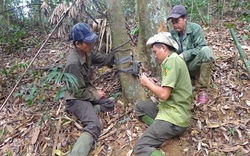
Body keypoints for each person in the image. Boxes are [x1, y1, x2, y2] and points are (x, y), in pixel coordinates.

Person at [133, 32, 193, 156]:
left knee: (141, 147)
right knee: (140, 106)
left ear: (164, 48)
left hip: (174, 117)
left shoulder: (172, 61)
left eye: (155, 52)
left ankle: (162, 134)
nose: (155, 55)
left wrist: (147, 83)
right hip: (168, 109)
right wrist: (150, 83)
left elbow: (164, 94)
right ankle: (162, 135)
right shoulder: (171, 61)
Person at [64, 22, 115, 156]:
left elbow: (104, 59)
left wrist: (118, 54)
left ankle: (91, 110)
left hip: (85, 93)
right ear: (77, 44)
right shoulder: (73, 63)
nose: (92, 45)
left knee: (109, 103)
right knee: (94, 125)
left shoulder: (88, 52)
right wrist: (96, 95)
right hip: (75, 99)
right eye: (88, 42)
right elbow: (78, 92)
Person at [167, 4, 215, 104]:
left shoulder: (195, 29)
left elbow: (201, 47)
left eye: (177, 21)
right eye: (173, 22)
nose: (175, 24)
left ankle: (202, 90)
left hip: (193, 65)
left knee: (207, 51)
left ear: (185, 18)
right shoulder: (171, 34)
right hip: (180, 68)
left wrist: (185, 55)